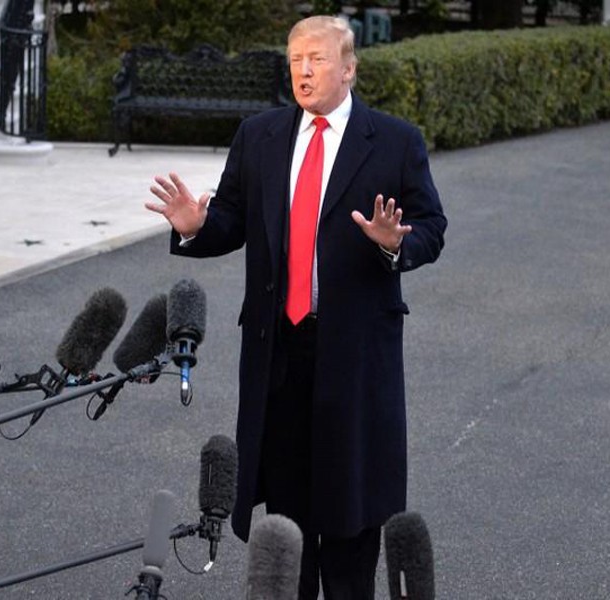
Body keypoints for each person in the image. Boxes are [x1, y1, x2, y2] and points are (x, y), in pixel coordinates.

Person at [146, 15, 447, 599]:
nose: (304, 71)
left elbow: (432, 226)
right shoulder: (260, 135)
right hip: (278, 353)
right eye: (294, 60)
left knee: (350, 509)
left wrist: (397, 243)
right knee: (285, 517)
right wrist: (195, 227)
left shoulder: (393, 141)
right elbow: (230, 219)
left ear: (350, 67)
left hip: (354, 357)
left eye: (317, 59)